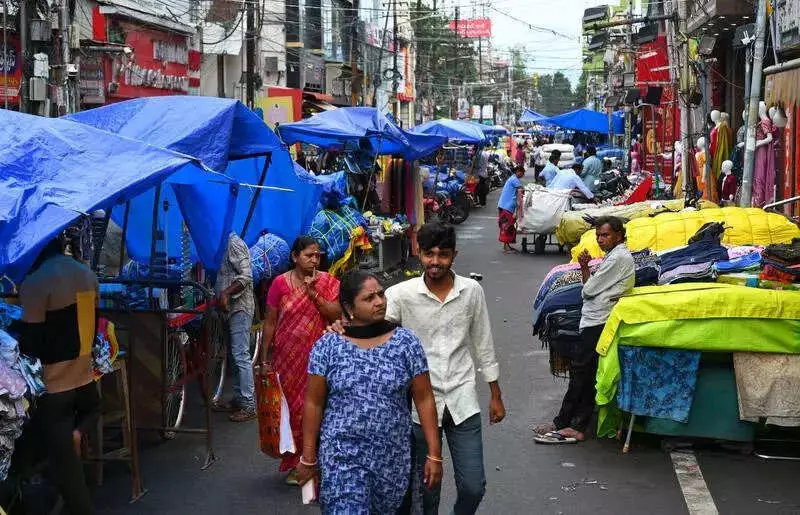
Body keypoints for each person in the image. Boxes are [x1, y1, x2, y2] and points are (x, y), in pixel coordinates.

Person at [295, 271, 443, 513]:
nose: (380, 302)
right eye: (369, 298)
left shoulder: (406, 343)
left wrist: (434, 454)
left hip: (391, 457)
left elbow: (424, 399)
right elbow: (313, 403)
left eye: (381, 294)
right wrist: (309, 457)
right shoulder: (328, 346)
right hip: (342, 455)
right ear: (348, 307)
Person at [386, 222, 505, 515]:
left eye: (443, 254)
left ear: (455, 254)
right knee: (427, 490)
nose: (435, 262)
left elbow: (483, 342)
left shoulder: (471, 291)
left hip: (462, 400)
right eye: (429, 254)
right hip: (417, 405)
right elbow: (375, 332)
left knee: (473, 487)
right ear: (418, 251)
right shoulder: (400, 295)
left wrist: (495, 393)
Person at [16, 236, 101, 514]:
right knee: (53, 446)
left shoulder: (36, 283)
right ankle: (74, 438)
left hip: (56, 390)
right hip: (87, 383)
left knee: (66, 472)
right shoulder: (87, 274)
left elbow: (30, 344)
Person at [533, 217, 634, 444]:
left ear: (618, 235)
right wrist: (585, 267)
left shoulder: (618, 258)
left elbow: (587, 290)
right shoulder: (612, 257)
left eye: (605, 235)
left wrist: (587, 276)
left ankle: (571, 425)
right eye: (599, 235)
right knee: (584, 372)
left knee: (581, 372)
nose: (601, 239)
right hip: (594, 318)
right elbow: (590, 287)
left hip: (599, 320)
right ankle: (566, 422)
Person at [261, 236, 341, 483]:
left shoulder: (327, 282)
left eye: (318, 255)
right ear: (295, 257)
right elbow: (271, 321)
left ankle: (319, 460)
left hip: (320, 357)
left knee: (321, 406)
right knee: (293, 409)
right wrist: (265, 357)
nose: (314, 259)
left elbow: (336, 313)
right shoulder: (279, 284)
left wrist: (313, 291)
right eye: (309, 255)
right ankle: (298, 463)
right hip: (287, 358)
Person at [214, 232, 257, 422]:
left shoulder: (233, 241)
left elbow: (246, 275)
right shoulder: (213, 241)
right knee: (233, 354)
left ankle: (249, 404)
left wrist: (226, 293)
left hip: (239, 306)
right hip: (227, 308)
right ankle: (240, 398)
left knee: (240, 354)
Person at [497, 165, 526, 253]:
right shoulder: (514, 180)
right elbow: (521, 189)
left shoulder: (513, 179)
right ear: (518, 171)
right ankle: (506, 246)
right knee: (507, 226)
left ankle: (507, 245)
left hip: (506, 206)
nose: (523, 175)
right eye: (522, 172)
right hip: (506, 206)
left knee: (508, 225)